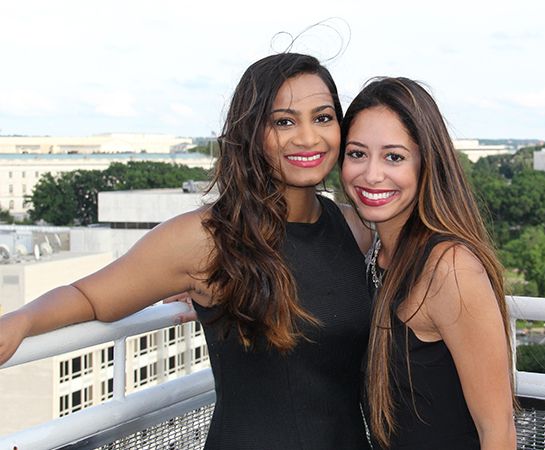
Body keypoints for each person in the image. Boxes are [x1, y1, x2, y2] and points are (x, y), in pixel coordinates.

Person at [0, 53, 374, 449]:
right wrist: (22, 320)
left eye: (323, 117)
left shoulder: (357, 227)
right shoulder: (207, 239)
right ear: (250, 133)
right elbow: (90, 297)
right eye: (284, 121)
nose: (308, 137)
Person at [340, 77, 516, 449]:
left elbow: (497, 431)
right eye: (357, 153)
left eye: (394, 157)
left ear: (426, 163)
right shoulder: (376, 251)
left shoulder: (449, 268)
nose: (371, 174)